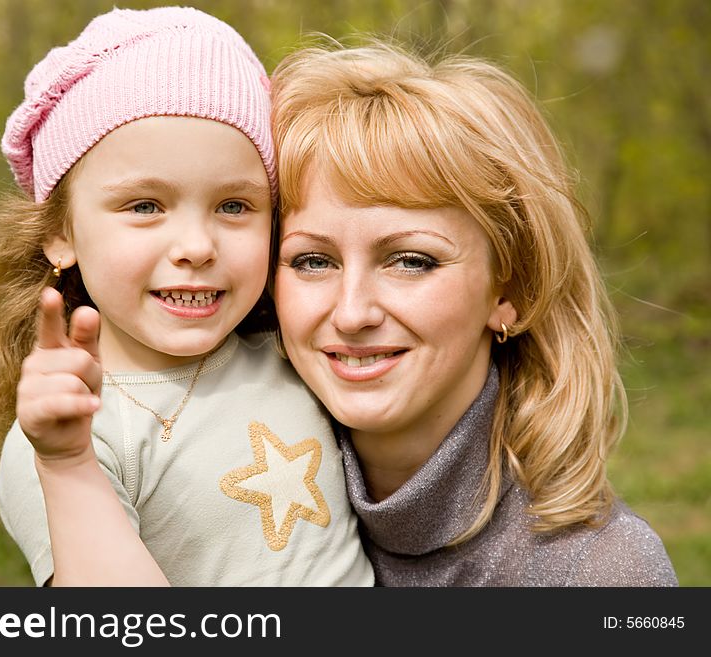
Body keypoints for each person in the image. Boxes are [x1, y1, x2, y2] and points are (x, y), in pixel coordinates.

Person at [0, 7, 373, 587]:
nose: (197, 246)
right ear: (61, 231)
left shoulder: (291, 352)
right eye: (145, 206)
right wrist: (68, 465)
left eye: (234, 206)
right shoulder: (71, 434)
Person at [269, 42, 678, 586]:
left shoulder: (601, 572)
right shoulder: (213, 499)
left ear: (511, 289)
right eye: (313, 260)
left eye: (411, 261)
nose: (351, 313)